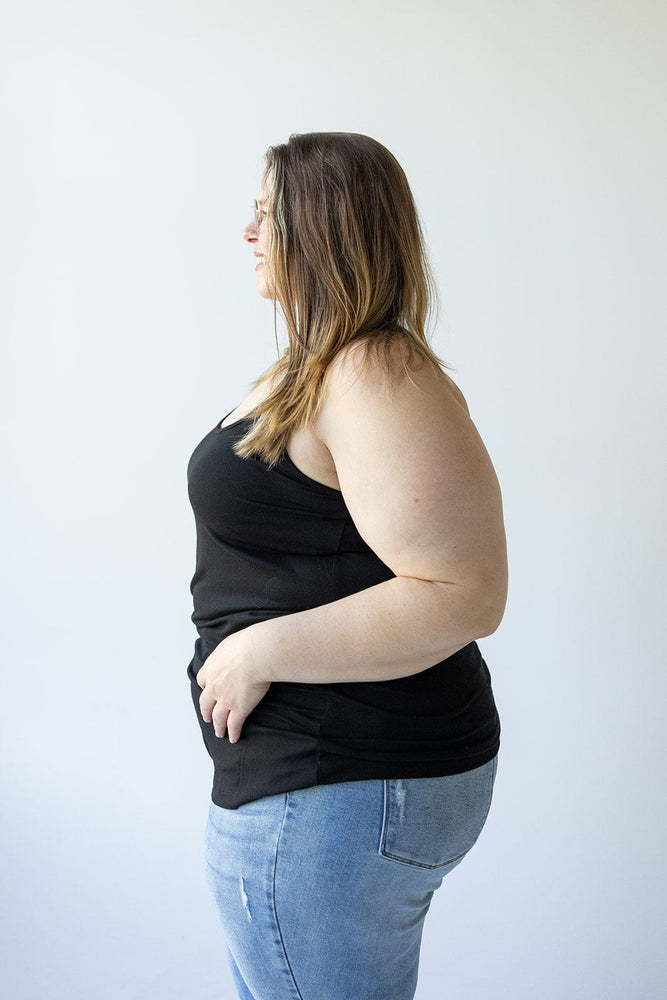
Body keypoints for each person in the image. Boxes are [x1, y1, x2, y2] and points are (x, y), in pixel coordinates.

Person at [186, 131, 507, 1000]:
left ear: (323, 227)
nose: (248, 231)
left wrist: (257, 652)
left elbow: (462, 592)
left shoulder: (371, 368)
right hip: (327, 777)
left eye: (267, 212)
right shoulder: (322, 364)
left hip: (343, 781)